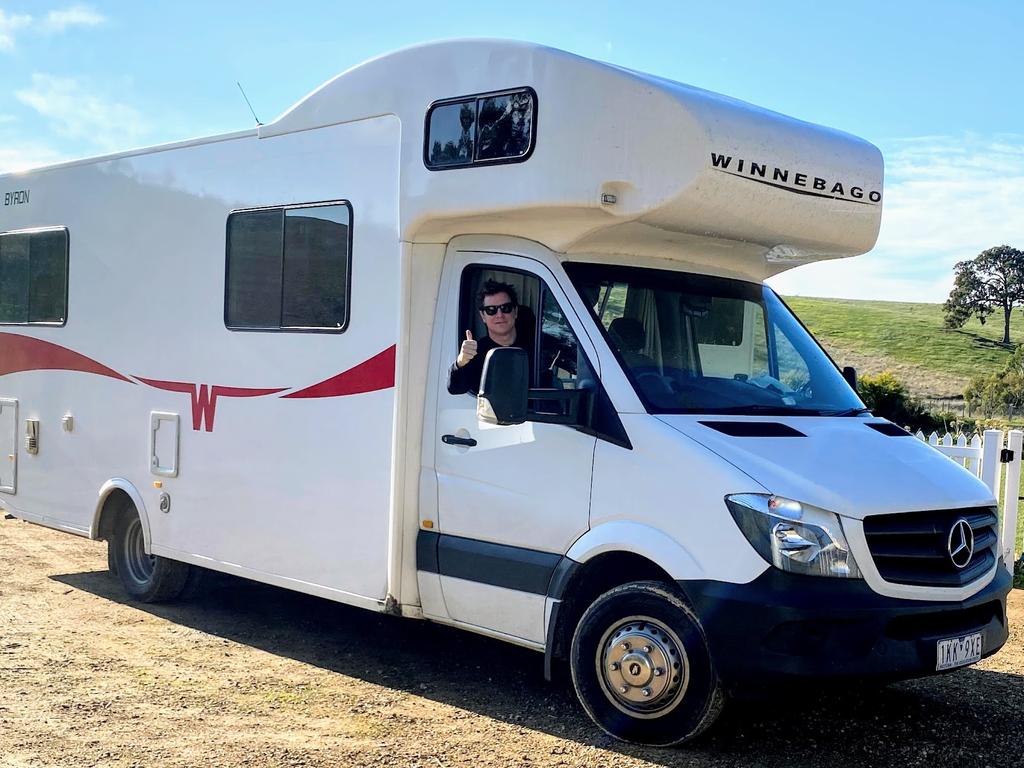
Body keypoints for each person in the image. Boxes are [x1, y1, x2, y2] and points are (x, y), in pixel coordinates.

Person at [447, 279, 525, 395]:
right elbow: (455, 388)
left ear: (515, 311)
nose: (499, 315)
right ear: (483, 316)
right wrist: (461, 362)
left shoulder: (537, 346)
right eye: (491, 310)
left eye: (506, 308)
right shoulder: (475, 353)